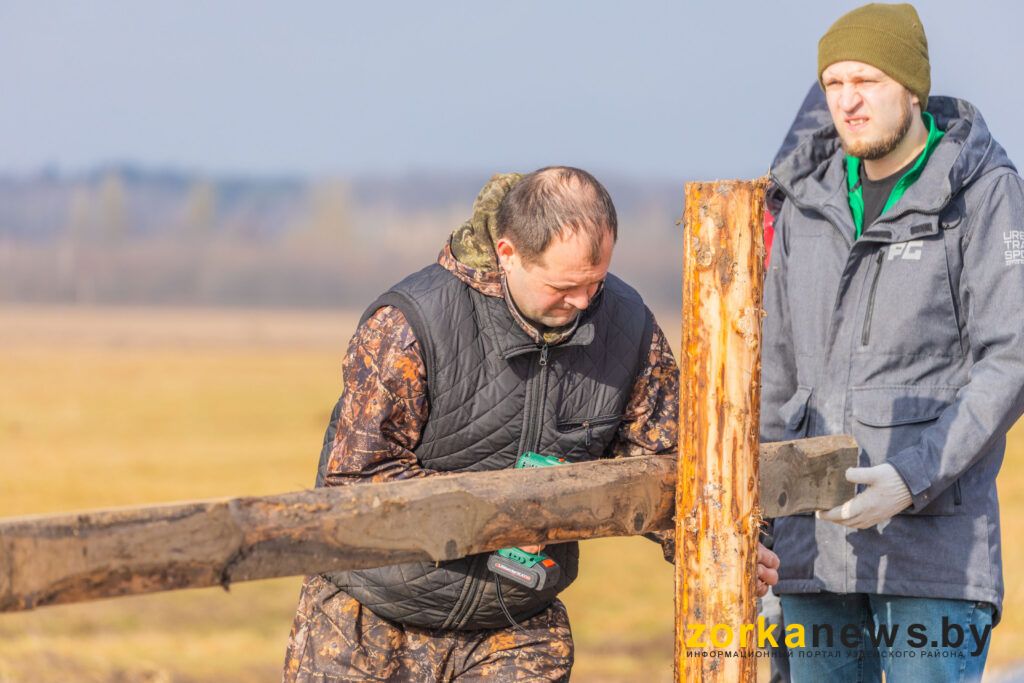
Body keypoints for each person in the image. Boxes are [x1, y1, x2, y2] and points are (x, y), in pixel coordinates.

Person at [282, 166, 780, 681]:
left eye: (596, 281)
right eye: (564, 286)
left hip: (515, 628)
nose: (584, 301)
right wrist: (508, 512)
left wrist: (737, 543)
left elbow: (670, 461)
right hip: (368, 622)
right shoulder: (409, 325)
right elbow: (355, 484)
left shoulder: (628, 326)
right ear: (507, 254)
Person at [761, 3, 1024, 681]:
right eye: (834, 84)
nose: (847, 101)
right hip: (810, 555)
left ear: (912, 87)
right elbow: (775, 375)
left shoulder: (981, 191)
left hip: (934, 558)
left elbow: (1011, 360)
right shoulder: (803, 205)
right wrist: (760, 533)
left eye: (867, 82)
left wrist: (912, 478)